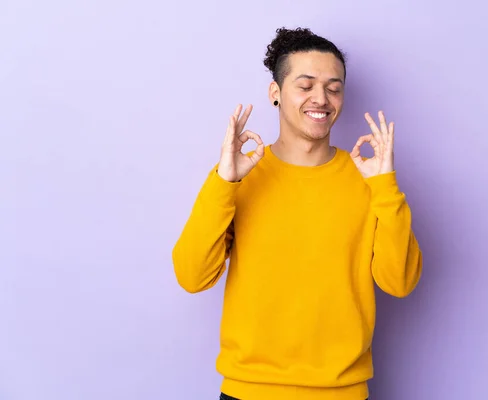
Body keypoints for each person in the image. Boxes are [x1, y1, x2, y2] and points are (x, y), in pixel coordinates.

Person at [172, 26, 422, 400]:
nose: (321, 98)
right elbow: (192, 276)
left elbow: (399, 283)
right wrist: (225, 181)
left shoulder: (369, 182)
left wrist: (385, 188)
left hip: (342, 392)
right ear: (276, 93)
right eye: (305, 86)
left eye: (333, 88)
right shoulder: (238, 177)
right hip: (248, 391)